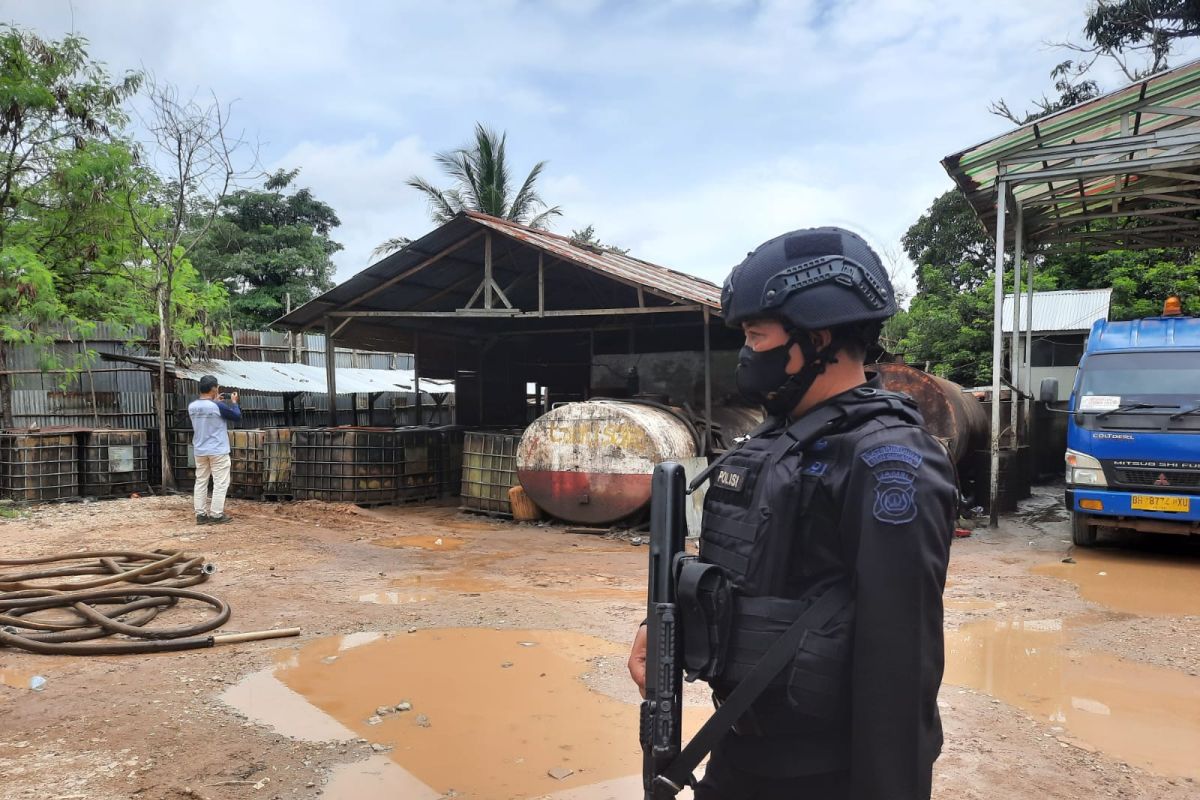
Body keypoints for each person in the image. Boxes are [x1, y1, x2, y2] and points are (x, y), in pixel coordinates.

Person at [628, 227, 956, 800]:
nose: (748, 353)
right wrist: (659, 628)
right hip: (741, 750)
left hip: (820, 776)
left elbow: (900, 665)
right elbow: (743, 576)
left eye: (756, 335)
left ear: (818, 338)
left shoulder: (886, 460)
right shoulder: (777, 440)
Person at [188, 375, 241, 525]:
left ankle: (200, 515)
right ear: (213, 389)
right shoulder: (218, 406)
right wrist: (234, 403)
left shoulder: (192, 406)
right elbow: (236, 416)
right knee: (220, 483)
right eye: (217, 387)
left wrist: (215, 402)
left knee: (201, 481)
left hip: (200, 450)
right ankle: (216, 515)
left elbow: (206, 416)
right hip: (218, 450)